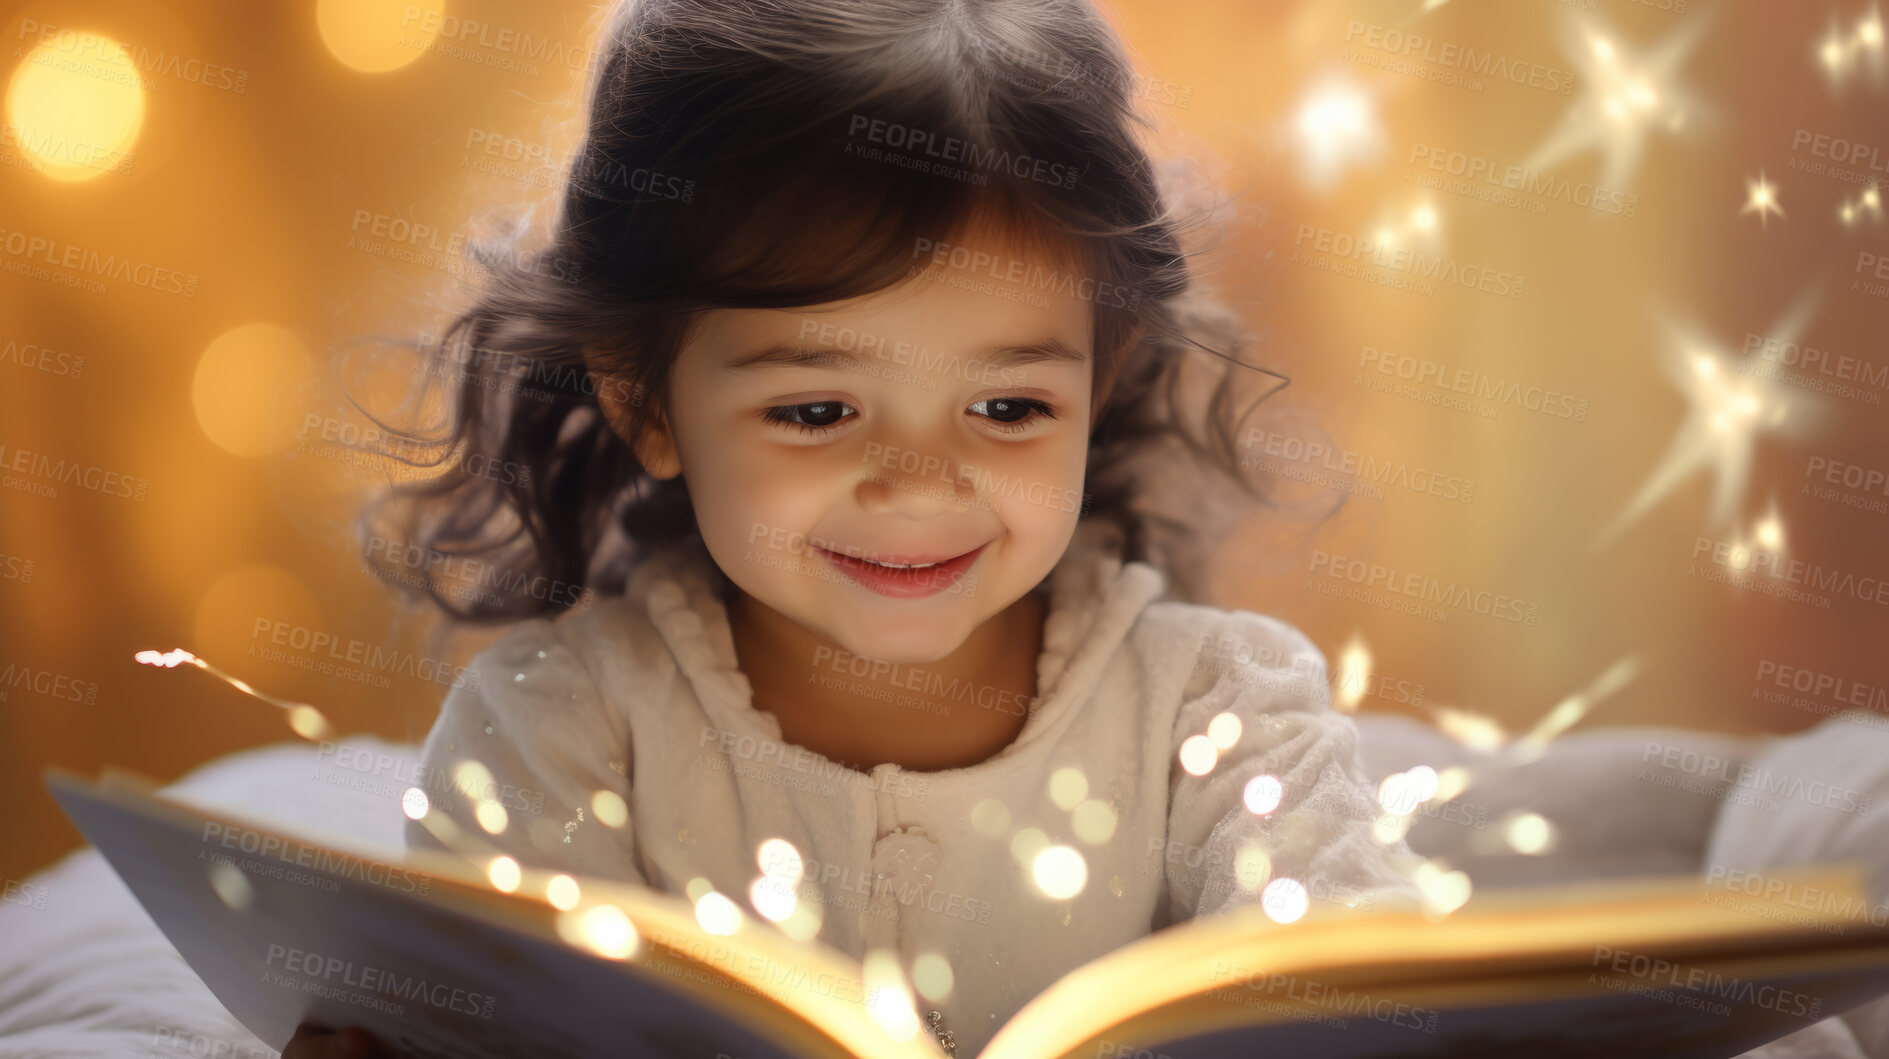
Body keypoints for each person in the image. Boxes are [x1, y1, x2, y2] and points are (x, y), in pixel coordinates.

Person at [287, 0, 1421, 1053]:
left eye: (1009, 409)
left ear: (1101, 381)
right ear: (645, 403)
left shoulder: (1226, 714)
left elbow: (1357, 1001)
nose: (919, 488)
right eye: (817, 411)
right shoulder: (560, 731)